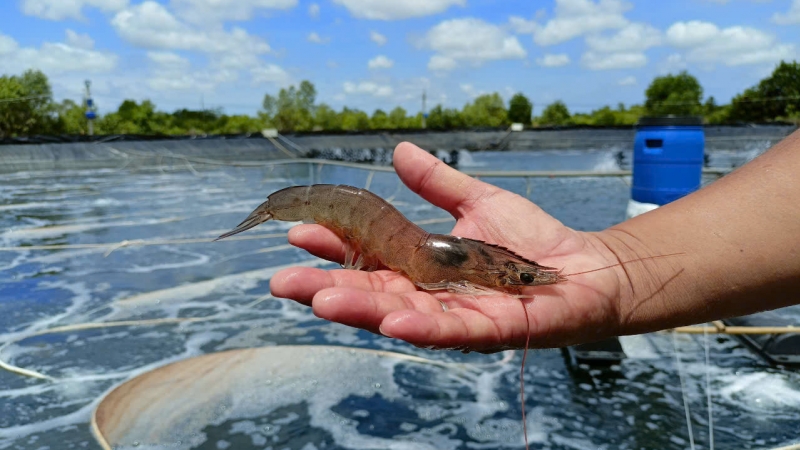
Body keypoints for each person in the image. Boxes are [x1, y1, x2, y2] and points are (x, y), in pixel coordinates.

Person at [269, 132, 800, 353]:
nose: (523, 280)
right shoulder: (434, 261)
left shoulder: (452, 258)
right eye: (520, 275)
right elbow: (454, 267)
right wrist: (621, 267)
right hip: (363, 220)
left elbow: (469, 265)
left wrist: (616, 271)